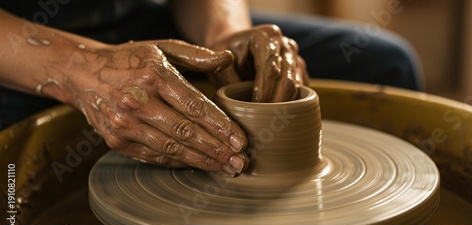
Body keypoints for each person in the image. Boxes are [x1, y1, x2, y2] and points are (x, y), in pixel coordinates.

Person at [0, 0, 422, 177]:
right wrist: (82, 69)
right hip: (25, 50)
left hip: (142, 18)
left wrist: (224, 35)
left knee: (386, 65)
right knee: (18, 188)